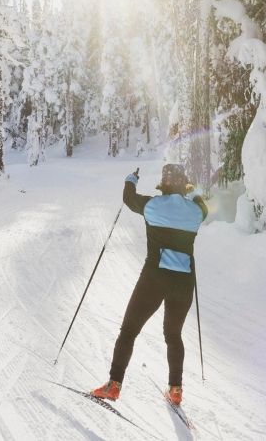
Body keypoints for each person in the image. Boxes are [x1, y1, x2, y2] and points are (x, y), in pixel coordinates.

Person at [90, 163, 207, 406]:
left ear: (163, 186)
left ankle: (113, 385)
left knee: (129, 331)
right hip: (183, 282)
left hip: (154, 278)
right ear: (184, 187)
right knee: (173, 335)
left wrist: (131, 178)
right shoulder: (195, 212)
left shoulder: (152, 206)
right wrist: (194, 192)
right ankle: (176, 390)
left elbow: (128, 198)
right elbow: (203, 208)